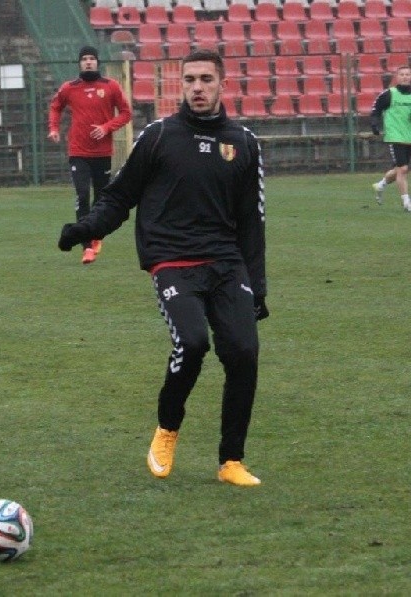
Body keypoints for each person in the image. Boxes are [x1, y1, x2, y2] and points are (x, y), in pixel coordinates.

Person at [58, 49, 268, 486]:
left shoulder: (244, 143)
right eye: (189, 79)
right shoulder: (158, 136)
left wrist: (258, 287)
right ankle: (167, 430)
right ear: (181, 84)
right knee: (191, 344)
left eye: (206, 79)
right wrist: (86, 228)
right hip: (172, 261)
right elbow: (120, 196)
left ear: (222, 84)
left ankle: (231, 461)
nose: (197, 88)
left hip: (227, 263)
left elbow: (252, 220)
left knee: (244, 354)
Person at [48, 45, 132, 265]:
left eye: (91, 58)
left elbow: (126, 113)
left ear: (97, 62)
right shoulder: (69, 88)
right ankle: (86, 246)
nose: (88, 62)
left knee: (100, 198)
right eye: (84, 58)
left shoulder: (110, 86)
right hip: (78, 151)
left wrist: (106, 127)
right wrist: (54, 128)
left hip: (102, 152)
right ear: (79, 63)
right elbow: (55, 106)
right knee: (82, 194)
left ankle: (95, 236)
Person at [370, 65, 411, 210]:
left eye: (408, 74)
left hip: (409, 136)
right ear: (397, 77)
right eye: (402, 74)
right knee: (403, 169)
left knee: (400, 170)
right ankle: (406, 202)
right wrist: (374, 124)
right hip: (395, 136)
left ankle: (381, 184)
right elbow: (376, 109)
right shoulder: (389, 94)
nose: (405, 77)